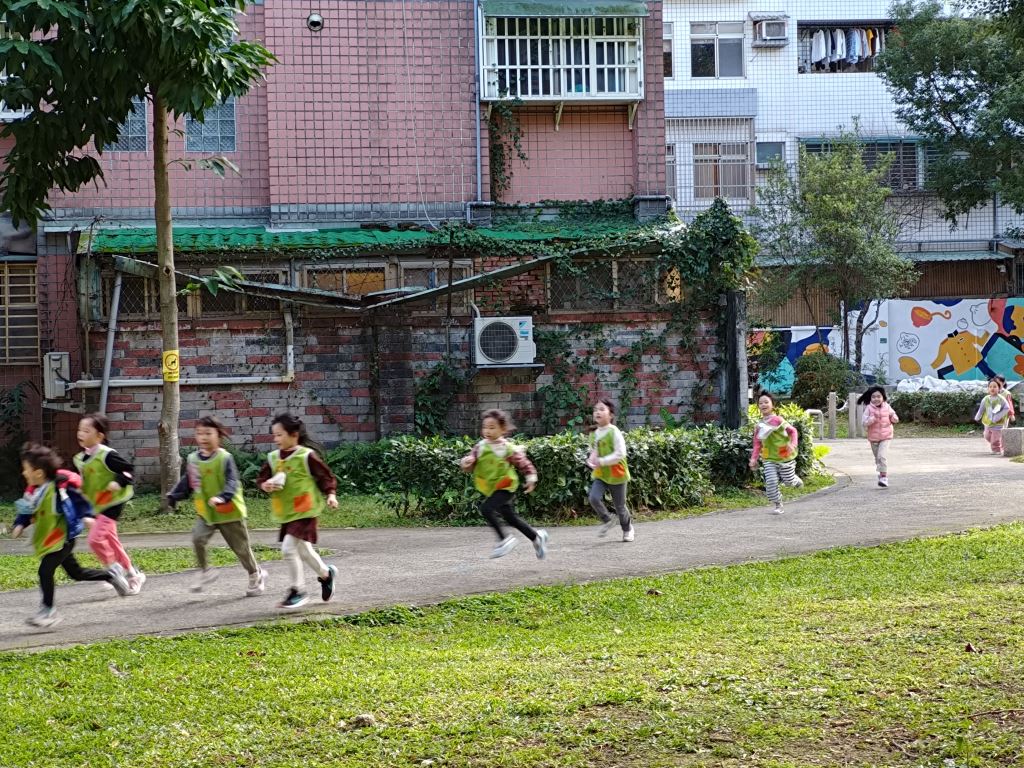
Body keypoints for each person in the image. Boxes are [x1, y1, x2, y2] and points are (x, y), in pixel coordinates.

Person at [11, 444, 131, 627]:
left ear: (39, 473)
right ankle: (111, 575)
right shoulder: (34, 491)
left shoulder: (58, 489)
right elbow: (27, 511)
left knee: (45, 571)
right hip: (51, 541)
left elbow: (78, 501)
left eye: (26, 469)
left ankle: (48, 611)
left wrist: (87, 516)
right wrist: (20, 523)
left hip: (63, 540)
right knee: (76, 573)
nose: (23, 473)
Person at [167, 416, 266, 596]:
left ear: (218, 436)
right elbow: (189, 481)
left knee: (241, 548)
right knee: (198, 538)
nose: (203, 437)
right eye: (199, 433)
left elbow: (232, 481)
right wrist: (174, 495)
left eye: (208, 433)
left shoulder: (225, 458)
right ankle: (206, 571)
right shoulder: (193, 459)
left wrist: (223, 497)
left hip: (230, 512)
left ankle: (255, 573)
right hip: (207, 513)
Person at [257, 413, 338, 610]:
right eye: (274, 435)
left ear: (294, 435)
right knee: (304, 550)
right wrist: (265, 485)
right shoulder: (273, 458)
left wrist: (331, 494)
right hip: (287, 512)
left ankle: (298, 591)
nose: (275, 439)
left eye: (279, 435)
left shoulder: (306, 456)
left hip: (305, 511)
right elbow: (262, 478)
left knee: (288, 549)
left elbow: (325, 476)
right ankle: (326, 574)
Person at [459, 409, 548, 559]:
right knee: (510, 518)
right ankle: (537, 537)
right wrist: (466, 463)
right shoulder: (480, 447)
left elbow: (523, 463)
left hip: (506, 485)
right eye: (485, 427)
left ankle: (504, 540)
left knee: (486, 509)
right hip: (493, 488)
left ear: (503, 429)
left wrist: (531, 478)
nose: (487, 431)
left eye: (492, 427)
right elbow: (471, 462)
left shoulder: (507, 448)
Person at [73, 413, 145, 594]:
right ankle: (133, 574)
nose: (81, 433)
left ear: (99, 436)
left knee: (95, 539)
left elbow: (129, 470)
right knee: (112, 542)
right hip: (97, 505)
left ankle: (114, 570)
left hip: (113, 503)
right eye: (80, 430)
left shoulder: (107, 455)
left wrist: (118, 482)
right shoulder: (79, 459)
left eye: (86, 431)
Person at [586, 398, 634, 542]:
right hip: (601, 474)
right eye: (595, 410)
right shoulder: (594, 434)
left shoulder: (614, 432)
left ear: (611, 415)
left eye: (602, 409)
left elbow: (620, 454)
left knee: (620, 507)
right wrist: (591, 460)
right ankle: (608, 520)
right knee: (593, 498)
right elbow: (594, 451)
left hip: (617, 474)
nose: (597, 412)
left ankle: (627, 529)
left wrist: (602, 461)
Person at [748, 392, 803, 515]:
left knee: (788, 481)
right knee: (771, 482)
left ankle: (794, 480)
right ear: (758, 406)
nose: (763, 405)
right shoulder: (759, 425)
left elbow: (793, 431)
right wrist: (753, 459)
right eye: (760, 403)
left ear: (772, 405)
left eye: (766, 402)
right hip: (769, 458)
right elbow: (757, 444)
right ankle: (778, 504)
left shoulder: (778, 420)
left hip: (784, 455)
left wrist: (793, 445)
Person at [858, 386, 899, 487]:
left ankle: (884, 477)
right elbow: (864, 423)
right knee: (878, 458)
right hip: (874, 438)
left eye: (878, 396)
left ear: (883, 397)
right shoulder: (868, 408)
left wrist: (894, 418)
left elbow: (893, 415)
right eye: (873, 397)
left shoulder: (887, 407)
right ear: (870, 398)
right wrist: (871, 419)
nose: (876, 399)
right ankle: (881, 474)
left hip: (886, 436)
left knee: (882, 456)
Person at [975, 379, 1011, 454]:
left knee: (995, 438)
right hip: (987, 422)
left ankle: (996, 450)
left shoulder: (1001, 399)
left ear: (999, 388)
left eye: (995, 386)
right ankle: (999, 444)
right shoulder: (986, 399)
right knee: (987, 436)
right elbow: (981, 409)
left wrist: (999, 415)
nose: (992, 388)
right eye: (990, 387)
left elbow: (1007, 408)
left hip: (998, 423)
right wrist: (978, 416)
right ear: (988, 389)